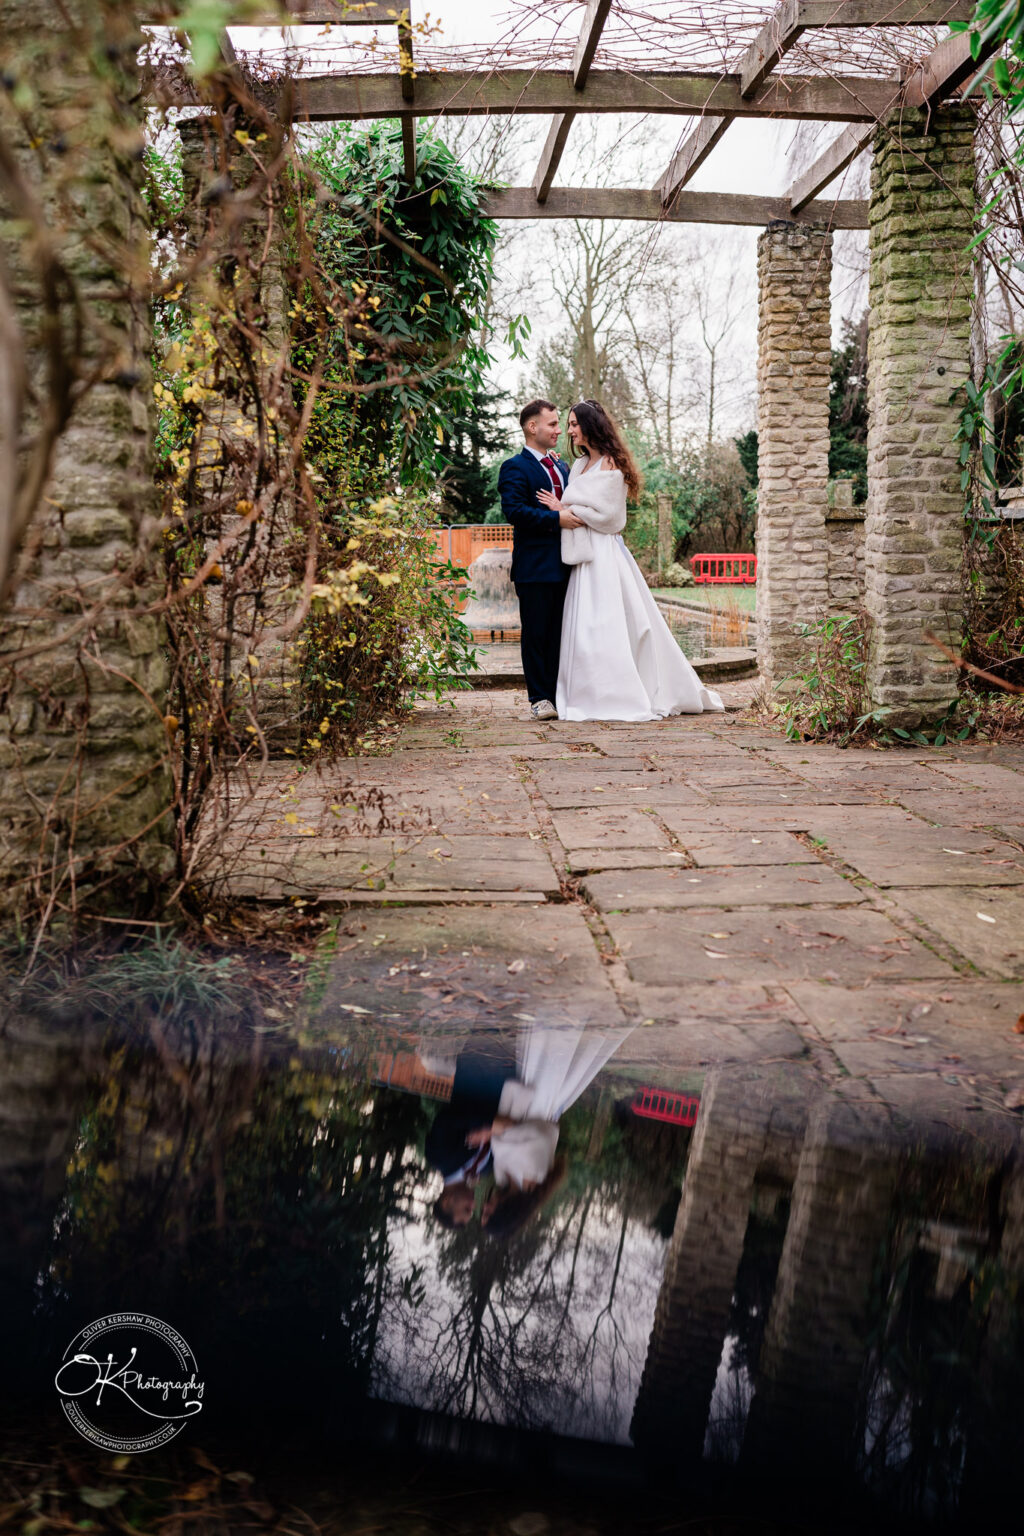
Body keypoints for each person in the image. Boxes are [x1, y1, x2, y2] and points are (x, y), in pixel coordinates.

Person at [536, 399, 726, 722]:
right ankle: (587, 693)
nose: (569, 431)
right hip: (583, 558)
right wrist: (567, 504)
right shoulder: (579, 466)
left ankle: (623, 691)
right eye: (566, 425)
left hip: (606, 556)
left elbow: (610, 517)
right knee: (585, 627)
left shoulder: (612, 464)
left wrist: (564, 509)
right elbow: (579, 499)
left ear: (590, 425)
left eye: (573, 424)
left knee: (615, 623)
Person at [497, 399, 584, 721]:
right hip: (535, 567)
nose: (559, 430)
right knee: (537, 633)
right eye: (553, 424)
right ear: (533, 427)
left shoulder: (561, 466)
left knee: (565, 632)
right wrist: (556, 520)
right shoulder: (515, 467)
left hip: (569, 563)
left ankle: (561, 693)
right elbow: (515, 512)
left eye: (560, 424)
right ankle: (540, 698)